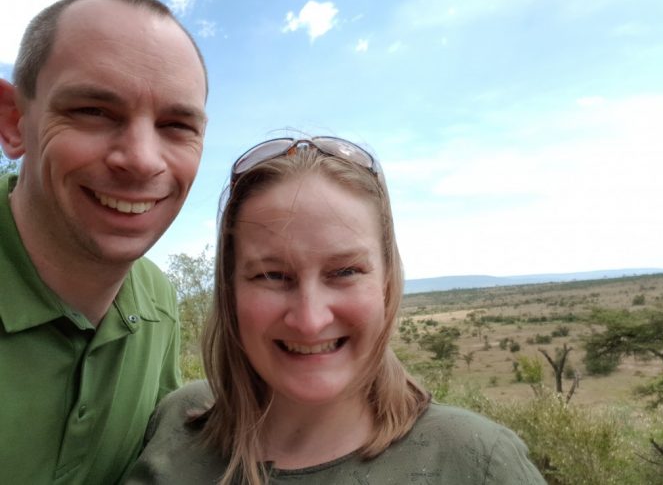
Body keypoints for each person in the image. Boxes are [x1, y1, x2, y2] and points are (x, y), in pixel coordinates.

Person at [125, 137, 546, 484]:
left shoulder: (477, 463)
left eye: (344, 271)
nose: (310, 320)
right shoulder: (178, 421)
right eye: (272, 275)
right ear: (230, 288)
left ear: (386, 282)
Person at [0, 0, 208, 484]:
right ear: (14, 123)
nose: (141, 159)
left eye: (177, 124)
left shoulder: (158, 302)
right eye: (93, 111)